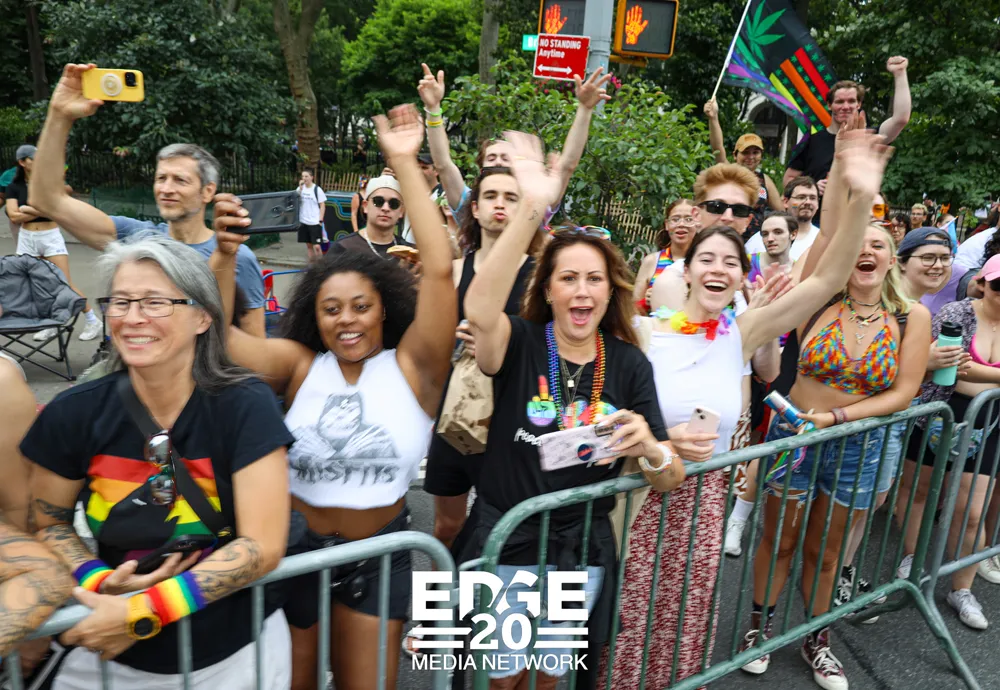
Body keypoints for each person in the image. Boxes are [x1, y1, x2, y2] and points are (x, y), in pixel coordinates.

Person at [212, 103, 455, 690]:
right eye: (330, 309)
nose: (347, 320)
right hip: (295, 555)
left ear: (385, 310)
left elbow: (441, 271)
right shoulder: (299, 366)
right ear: (313, 318)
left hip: (379, 557)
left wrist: (404, 164)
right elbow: (221, 343)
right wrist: (222, 259)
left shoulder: (415, 368)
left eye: (361, 307)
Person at [22, 233, 294, 689]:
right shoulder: (73, 413)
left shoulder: (245, 405)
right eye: (121, 302)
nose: (132, 318)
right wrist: (98, 580)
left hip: (232, 655)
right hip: (112, 657)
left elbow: (262, 545)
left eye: (155, 302)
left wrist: (143, 610)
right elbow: (49, 523)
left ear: (203, 317)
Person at [463, 131, 680, 690]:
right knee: (500, 677)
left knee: (547, 675)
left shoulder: (629, 364)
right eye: (568, 278)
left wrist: (649, 446)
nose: (582, 291)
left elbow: (669, 476)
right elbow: (480, 306)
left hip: (579, 546)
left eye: (594, 279)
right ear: (548, 291)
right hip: (508, 538)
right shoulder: (519, 340)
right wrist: (533, 207)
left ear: (610, 291)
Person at [740, 127, 928, 690]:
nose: (865, 252)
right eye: (858, 244)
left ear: (893, 259)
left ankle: (816, 640)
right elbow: (826, 238)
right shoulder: (819, 298)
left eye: (878, 245)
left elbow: (903, 393)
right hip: (795, 438)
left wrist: (836, 420)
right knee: (779, 539)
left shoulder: (910, 317)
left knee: (826, 553)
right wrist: (848, 179)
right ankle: (758, 629)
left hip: (857, 447)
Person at [28, 63, 267, 337]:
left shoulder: (238, 258)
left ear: (207, 192)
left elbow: (255, 340)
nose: (166, 188)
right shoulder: (136, 238)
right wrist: (59, 115)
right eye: (161, 178)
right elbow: (47, 200)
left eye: (180, 180)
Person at [897, 256, 1000, 631]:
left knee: (971, 512)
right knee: (918, 492)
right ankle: (912, 558)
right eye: (999, 285)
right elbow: (953, 372)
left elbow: (969, 371)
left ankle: (962, 589)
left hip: (988, 423)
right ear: (982, 283)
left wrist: (978, 374)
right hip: (937, 414)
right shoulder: (957, 313)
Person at [418, 63, 610, 220]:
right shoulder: (468, 204)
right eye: (491, 158)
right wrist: (433, 108)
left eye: (505, 157)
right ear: (481, 167)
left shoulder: (536, 203)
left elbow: (567, 166)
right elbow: (443, 164)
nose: (498, 161)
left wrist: (585, 109)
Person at [5, 144, 102, 342]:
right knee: (36, 284)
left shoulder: (48, 182)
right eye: (33, 158)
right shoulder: (14, 187)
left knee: (63, 283)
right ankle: (49, 324)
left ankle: (92, 320)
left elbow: (62, 198)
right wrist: (43, 209)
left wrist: (28, 210)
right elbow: (14, 216)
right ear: (22, 162)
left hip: (49, 237)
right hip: (27, 238)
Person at [782, 57, 911, 205]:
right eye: (839, 102)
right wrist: (812, 188)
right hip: (818, 216)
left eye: (851, 101)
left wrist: (900, 73)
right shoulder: (812, 141)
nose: (845, 107)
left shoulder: (869, 136)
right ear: (829, 105)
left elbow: (900, 119)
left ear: (859, 104)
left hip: (856, 213)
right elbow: (788, 180)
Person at [704, 98, 783, 239]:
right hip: (730, 237)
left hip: (757, 243)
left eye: (755, 152)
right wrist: (713, 118)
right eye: (745, 152)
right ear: (735, 155)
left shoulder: (764, 180)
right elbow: (717, 148)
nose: (750, 157)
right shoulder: (730, 173)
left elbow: (781, 212)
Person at [632, 198, 698, 315]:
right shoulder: (652, 261)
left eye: (688, 219)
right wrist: (646, 302)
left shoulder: (704, 262)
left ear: (698, 224)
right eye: (675, 219)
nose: (681, 224)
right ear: (667, 225)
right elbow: (632, 310)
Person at [328, 175, 415, 261]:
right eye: (378, 201)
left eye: (394, 203)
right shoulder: (343, 248)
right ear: (365, 206)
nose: (385, 208)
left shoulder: (409, 255)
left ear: (401, 211)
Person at [744, 176, 820, 261]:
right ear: (786, 202)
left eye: (813, 198)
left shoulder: (822, 240)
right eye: (801, 197)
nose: (808, 202)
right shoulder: (761, 240)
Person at [748, 211, 797, 283]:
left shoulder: (798, 268)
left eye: (778, 232)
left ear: (793, 235)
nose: (770, 239)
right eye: (765, 234)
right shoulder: (747, 262)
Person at [297, 168, 327, 263]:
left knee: (317, 246)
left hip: (314, 222)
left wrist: (320, 220)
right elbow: (295, 200)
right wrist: (300, 189)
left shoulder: (317, 189)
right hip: (304, 221)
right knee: (309, 246)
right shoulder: (300, 189)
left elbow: (322, 205)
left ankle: (321, 265)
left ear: (312, 177)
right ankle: (311, 266)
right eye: (303, 176)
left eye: (306, 176)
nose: (304, 178)